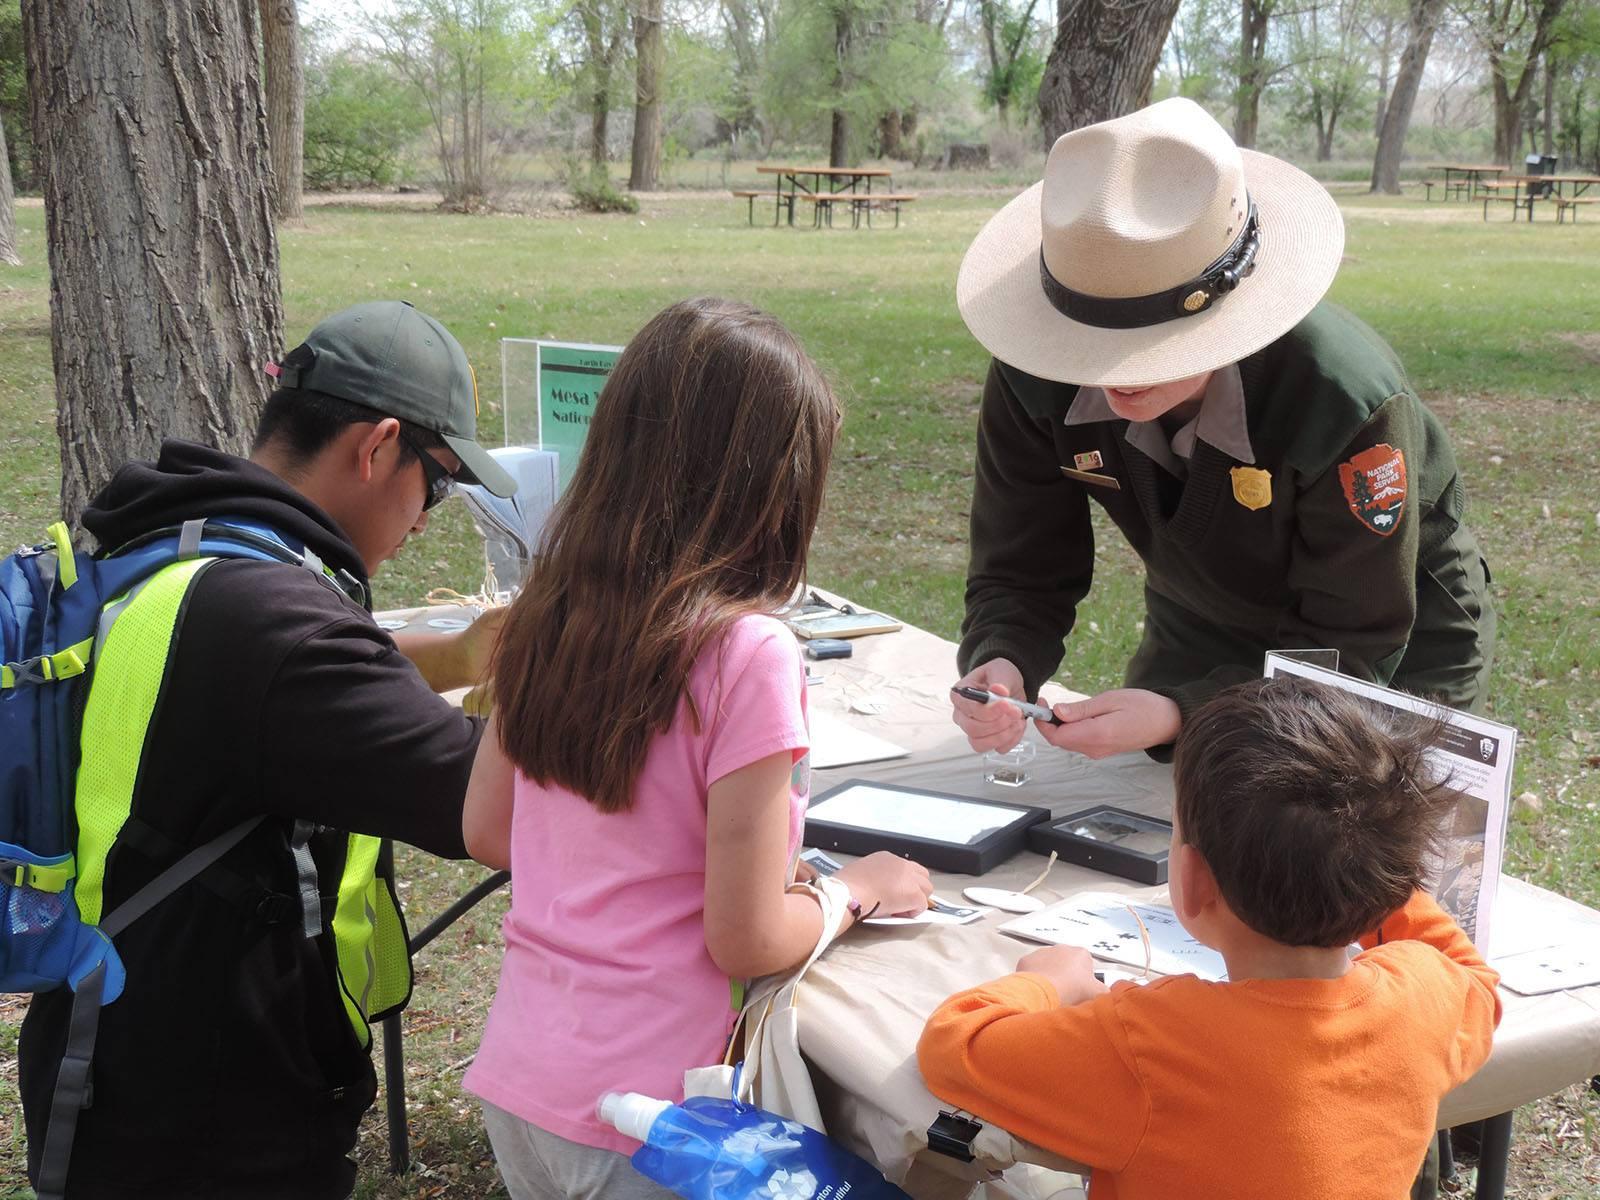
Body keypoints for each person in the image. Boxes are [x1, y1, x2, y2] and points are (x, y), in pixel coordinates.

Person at [19, 300, 517, 1200]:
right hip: (212, 1124)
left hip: (111, 1052)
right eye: (437, 482)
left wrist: (450, 657)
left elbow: (245, 685)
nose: (429, 518)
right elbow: (495, 808)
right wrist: (562, 673)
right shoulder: (280, 626)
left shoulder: (186, 543)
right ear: (377, 447)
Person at [460, 297, 933, 1200]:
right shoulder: (748, 653)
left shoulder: (542, 615)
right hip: (659, 1122)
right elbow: (748, 938)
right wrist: (855, 891)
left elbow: (489, 832)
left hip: (522, 1082)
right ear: (777, 485)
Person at [948, 98, 1494, 762]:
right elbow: (1020, 568)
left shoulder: (1343, 400)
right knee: (1167, 831)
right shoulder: (1033, 377)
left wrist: (1181, 711)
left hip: (1394, 643)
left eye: (1152, 341)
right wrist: (1002, 658)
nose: (1115, 372)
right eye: (1087, 341)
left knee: (1341, 836)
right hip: (1201, 619)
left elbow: (1357, 644)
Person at [919, 675, 1502, 1200]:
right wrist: (1372, 863)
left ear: (1195, 881)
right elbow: (1474, 979)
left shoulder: (1148, 1041)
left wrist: (1045, 983)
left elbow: (955, 1048)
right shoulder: (1421, 1001)